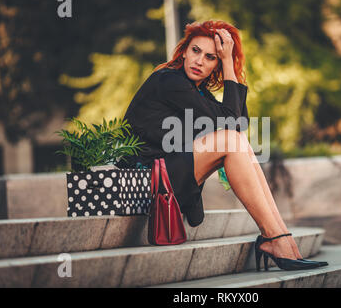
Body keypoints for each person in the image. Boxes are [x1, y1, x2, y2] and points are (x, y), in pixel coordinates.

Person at [118, 20, 326, 270]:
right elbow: (232, 124)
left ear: (215, 64)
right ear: (184, 50)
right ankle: (275, 239)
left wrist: (229, 63)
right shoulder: (169, 81)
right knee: (231, 140)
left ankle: (282, 239)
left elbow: (238, 122)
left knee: (237, 142)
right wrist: (228, 62)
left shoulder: (200, 93)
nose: (199, 61)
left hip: (167, 175)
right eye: (195, 51)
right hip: (145, 179)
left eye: (211, 57)